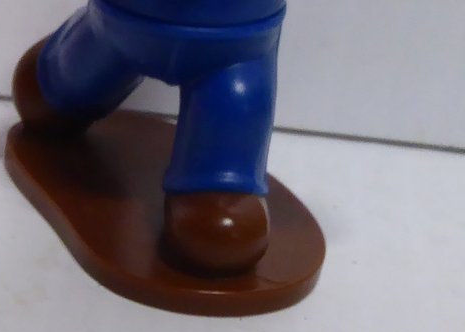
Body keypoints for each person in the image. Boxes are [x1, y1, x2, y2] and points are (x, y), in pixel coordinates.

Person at [14, 0, 286, 274]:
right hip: (118, 26)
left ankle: (218, 180)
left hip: (233, 50)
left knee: (218, 226)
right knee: (43, 98)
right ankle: (61, 83)